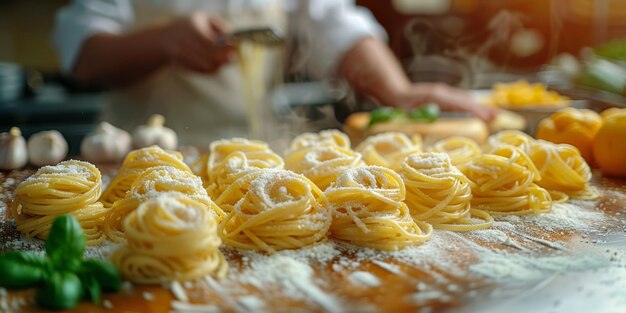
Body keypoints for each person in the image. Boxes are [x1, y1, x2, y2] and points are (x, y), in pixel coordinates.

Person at [53, 0, 495, 144]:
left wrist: (397, 92)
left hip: (257, 154)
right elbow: (86, 57)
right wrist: (164, 40)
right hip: (138, 158)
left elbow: (334, 23)